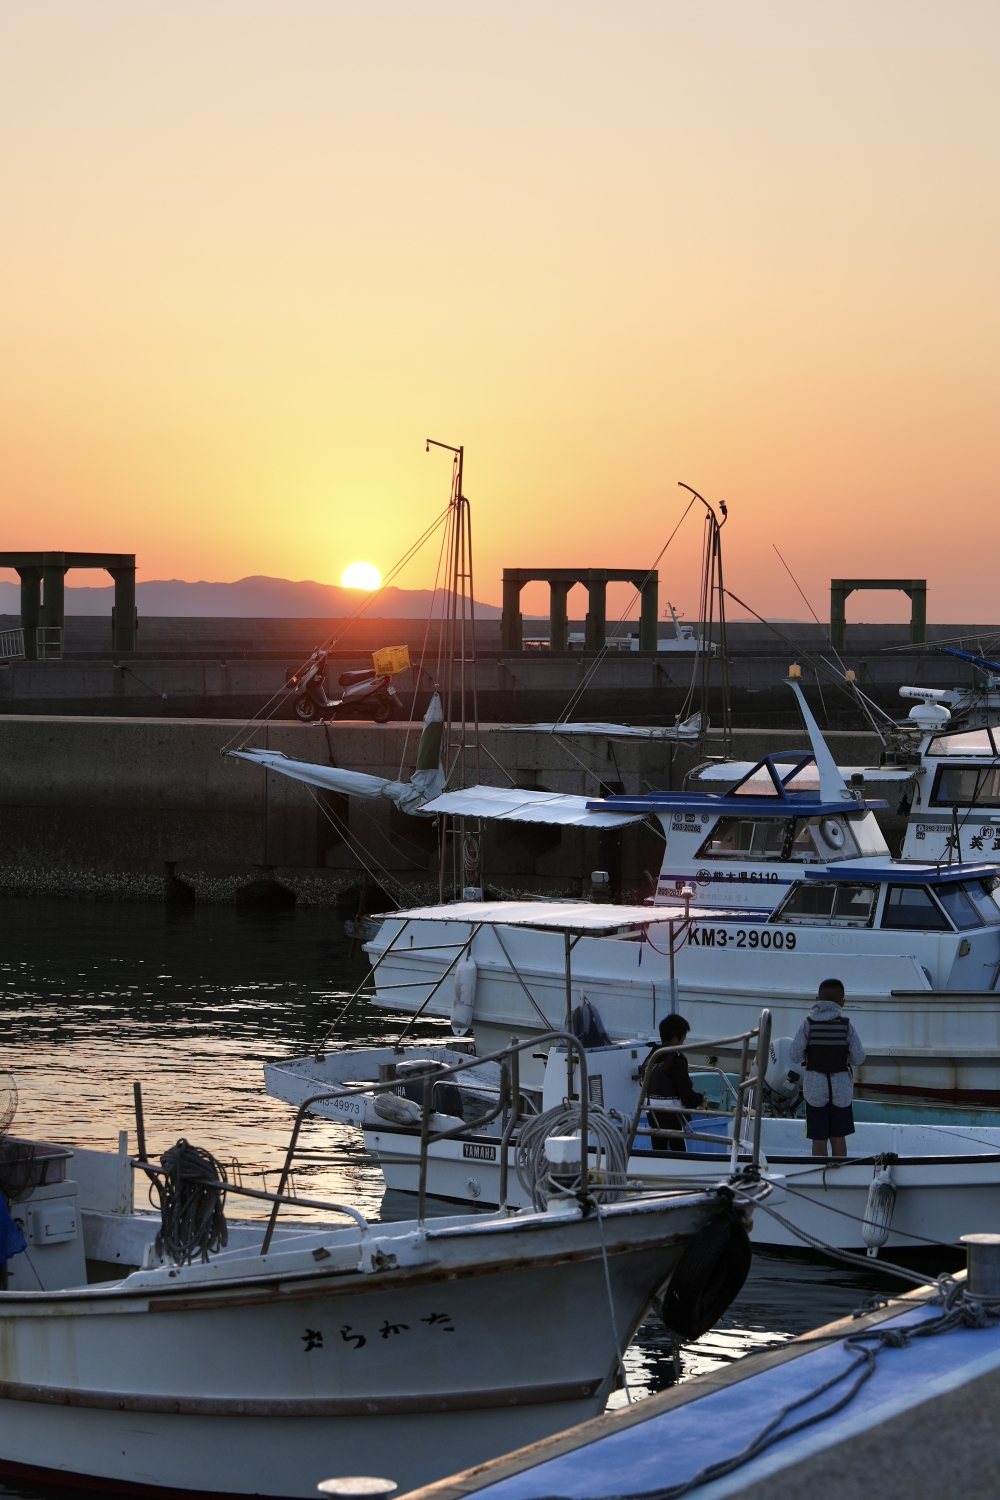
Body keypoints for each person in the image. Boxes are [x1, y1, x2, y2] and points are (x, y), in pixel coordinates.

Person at [789, 978, 865, 1158]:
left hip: (815, 1089)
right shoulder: (847, 1026)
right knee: (838, 1136)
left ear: (817, 1000)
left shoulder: (808, 1024)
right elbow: (859, 1058)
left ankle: (819, 1175)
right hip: (841, 1089)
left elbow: (794, 1055)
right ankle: (839, 1177)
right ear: (842, 1003)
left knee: (819, 1139)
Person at [644, 1014, 706, 1153]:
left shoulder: (651, 1057)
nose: (683, 1044)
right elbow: (687, 1097)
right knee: (679, 1151)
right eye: (683, 1039)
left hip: (653, 1116)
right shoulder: (676, 1061)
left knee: (658, 1150)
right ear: (674, 1040)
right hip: (674, 1119)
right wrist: (699, 1099)